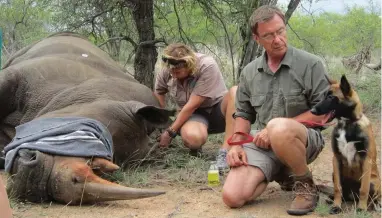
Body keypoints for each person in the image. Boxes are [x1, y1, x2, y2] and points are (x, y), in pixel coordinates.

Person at [222, 5, 330, 216]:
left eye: (280, 31)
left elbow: (324, 113)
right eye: (269, 35)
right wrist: (235, 145)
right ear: (257, 39)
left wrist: (273, 130)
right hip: (263, 144)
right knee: (232, 197)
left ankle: (305, 184)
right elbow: (243, 114)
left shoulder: (311, 64)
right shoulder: (250, 72)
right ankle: (282, 171)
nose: (277, 39)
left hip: (305, 141)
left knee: (277, 127)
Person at [154, 43, 237, 169]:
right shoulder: (166, 71)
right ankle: (195, 147)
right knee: (193, 139)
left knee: (235, 92)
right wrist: (163, 123)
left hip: (218, 110)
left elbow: (193, 105)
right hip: (194, 116)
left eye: (178, 68)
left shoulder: (207, 65)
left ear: (189, 63)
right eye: (171, 67)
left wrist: (170, 132)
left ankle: (225, 151)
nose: (174, 71)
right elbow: (159, 92)